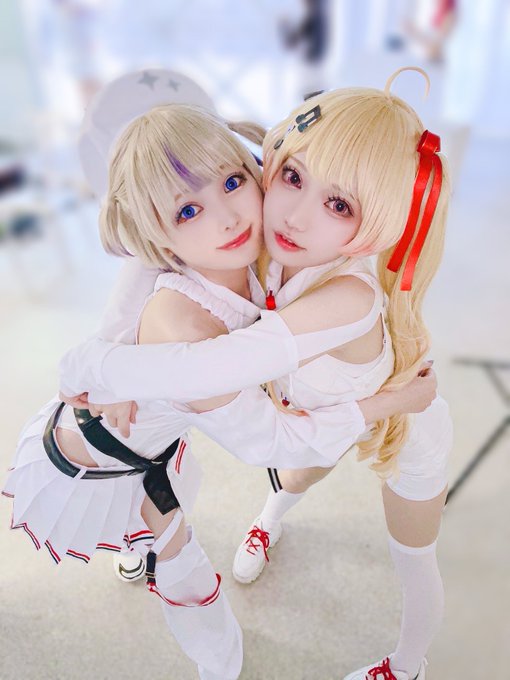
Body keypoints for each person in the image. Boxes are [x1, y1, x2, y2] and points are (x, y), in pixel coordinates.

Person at [2, 70, 432, 680]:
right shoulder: (185, 324)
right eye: (188, 210)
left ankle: (136, 552)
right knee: (187, 573)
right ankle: (220, 666)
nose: (229, 218)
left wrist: (107, 359)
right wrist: (391, 402)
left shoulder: (249, 240)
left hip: (143, 425)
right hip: (99, 456)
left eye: (233, 181)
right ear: (160, 236)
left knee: (155, 525)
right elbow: (271, 443)